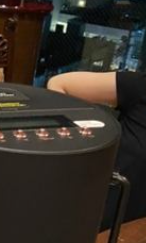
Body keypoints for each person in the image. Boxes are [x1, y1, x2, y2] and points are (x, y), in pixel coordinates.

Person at [47, 71, 146, 224]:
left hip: (135, 232)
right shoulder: (140, 85)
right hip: (88, 218)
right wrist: (76, 142)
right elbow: (60, 84)